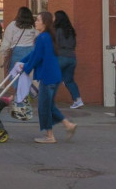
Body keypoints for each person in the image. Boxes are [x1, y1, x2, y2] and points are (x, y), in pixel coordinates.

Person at [19, 11, 77, 144]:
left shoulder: (42, 38)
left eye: (38, 20)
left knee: (44, 107)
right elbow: (34, 54)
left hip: (47, 76)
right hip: (55, 76)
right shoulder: (49, 37)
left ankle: (49, 135)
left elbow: (37, 57)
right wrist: (22, 62)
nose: (36, 22)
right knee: (49, 105)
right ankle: (68, 125)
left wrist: (26, 68)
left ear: (44, 23)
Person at [54, 10, 84, 109]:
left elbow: (55, 44)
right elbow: (74, 44)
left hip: (61, 57)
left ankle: (49, 101)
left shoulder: (58, 30)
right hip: (72, 57)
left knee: (53, 79)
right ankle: (78, 100)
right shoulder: (71, 30)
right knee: (69, 80)